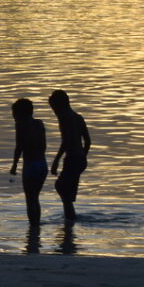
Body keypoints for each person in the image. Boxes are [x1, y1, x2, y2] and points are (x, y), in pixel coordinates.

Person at [48, 89, 91, 222]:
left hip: (72, 159)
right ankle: (70, 219)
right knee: (65, 191)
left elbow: (66, 141)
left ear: (59, 105)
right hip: (80, 159)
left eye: (54, 108)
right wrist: (82, 156)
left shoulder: (64, 117)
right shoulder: (78, 117)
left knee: (61, 187)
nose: (54, 112)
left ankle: (70, 221)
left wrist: (56, 161)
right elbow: (88, 141)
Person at [9, 98, 47, 227]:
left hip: (31, 166)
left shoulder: (20, 125)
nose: (13, 116)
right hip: (42, 165)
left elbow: (19, 146)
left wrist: (14, 165)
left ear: (19, 113)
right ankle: (36, 228)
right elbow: (43, 145)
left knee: (30, 200)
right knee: (35, 199)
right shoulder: (39, 123)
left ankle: (33, 230)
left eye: (14, 113)